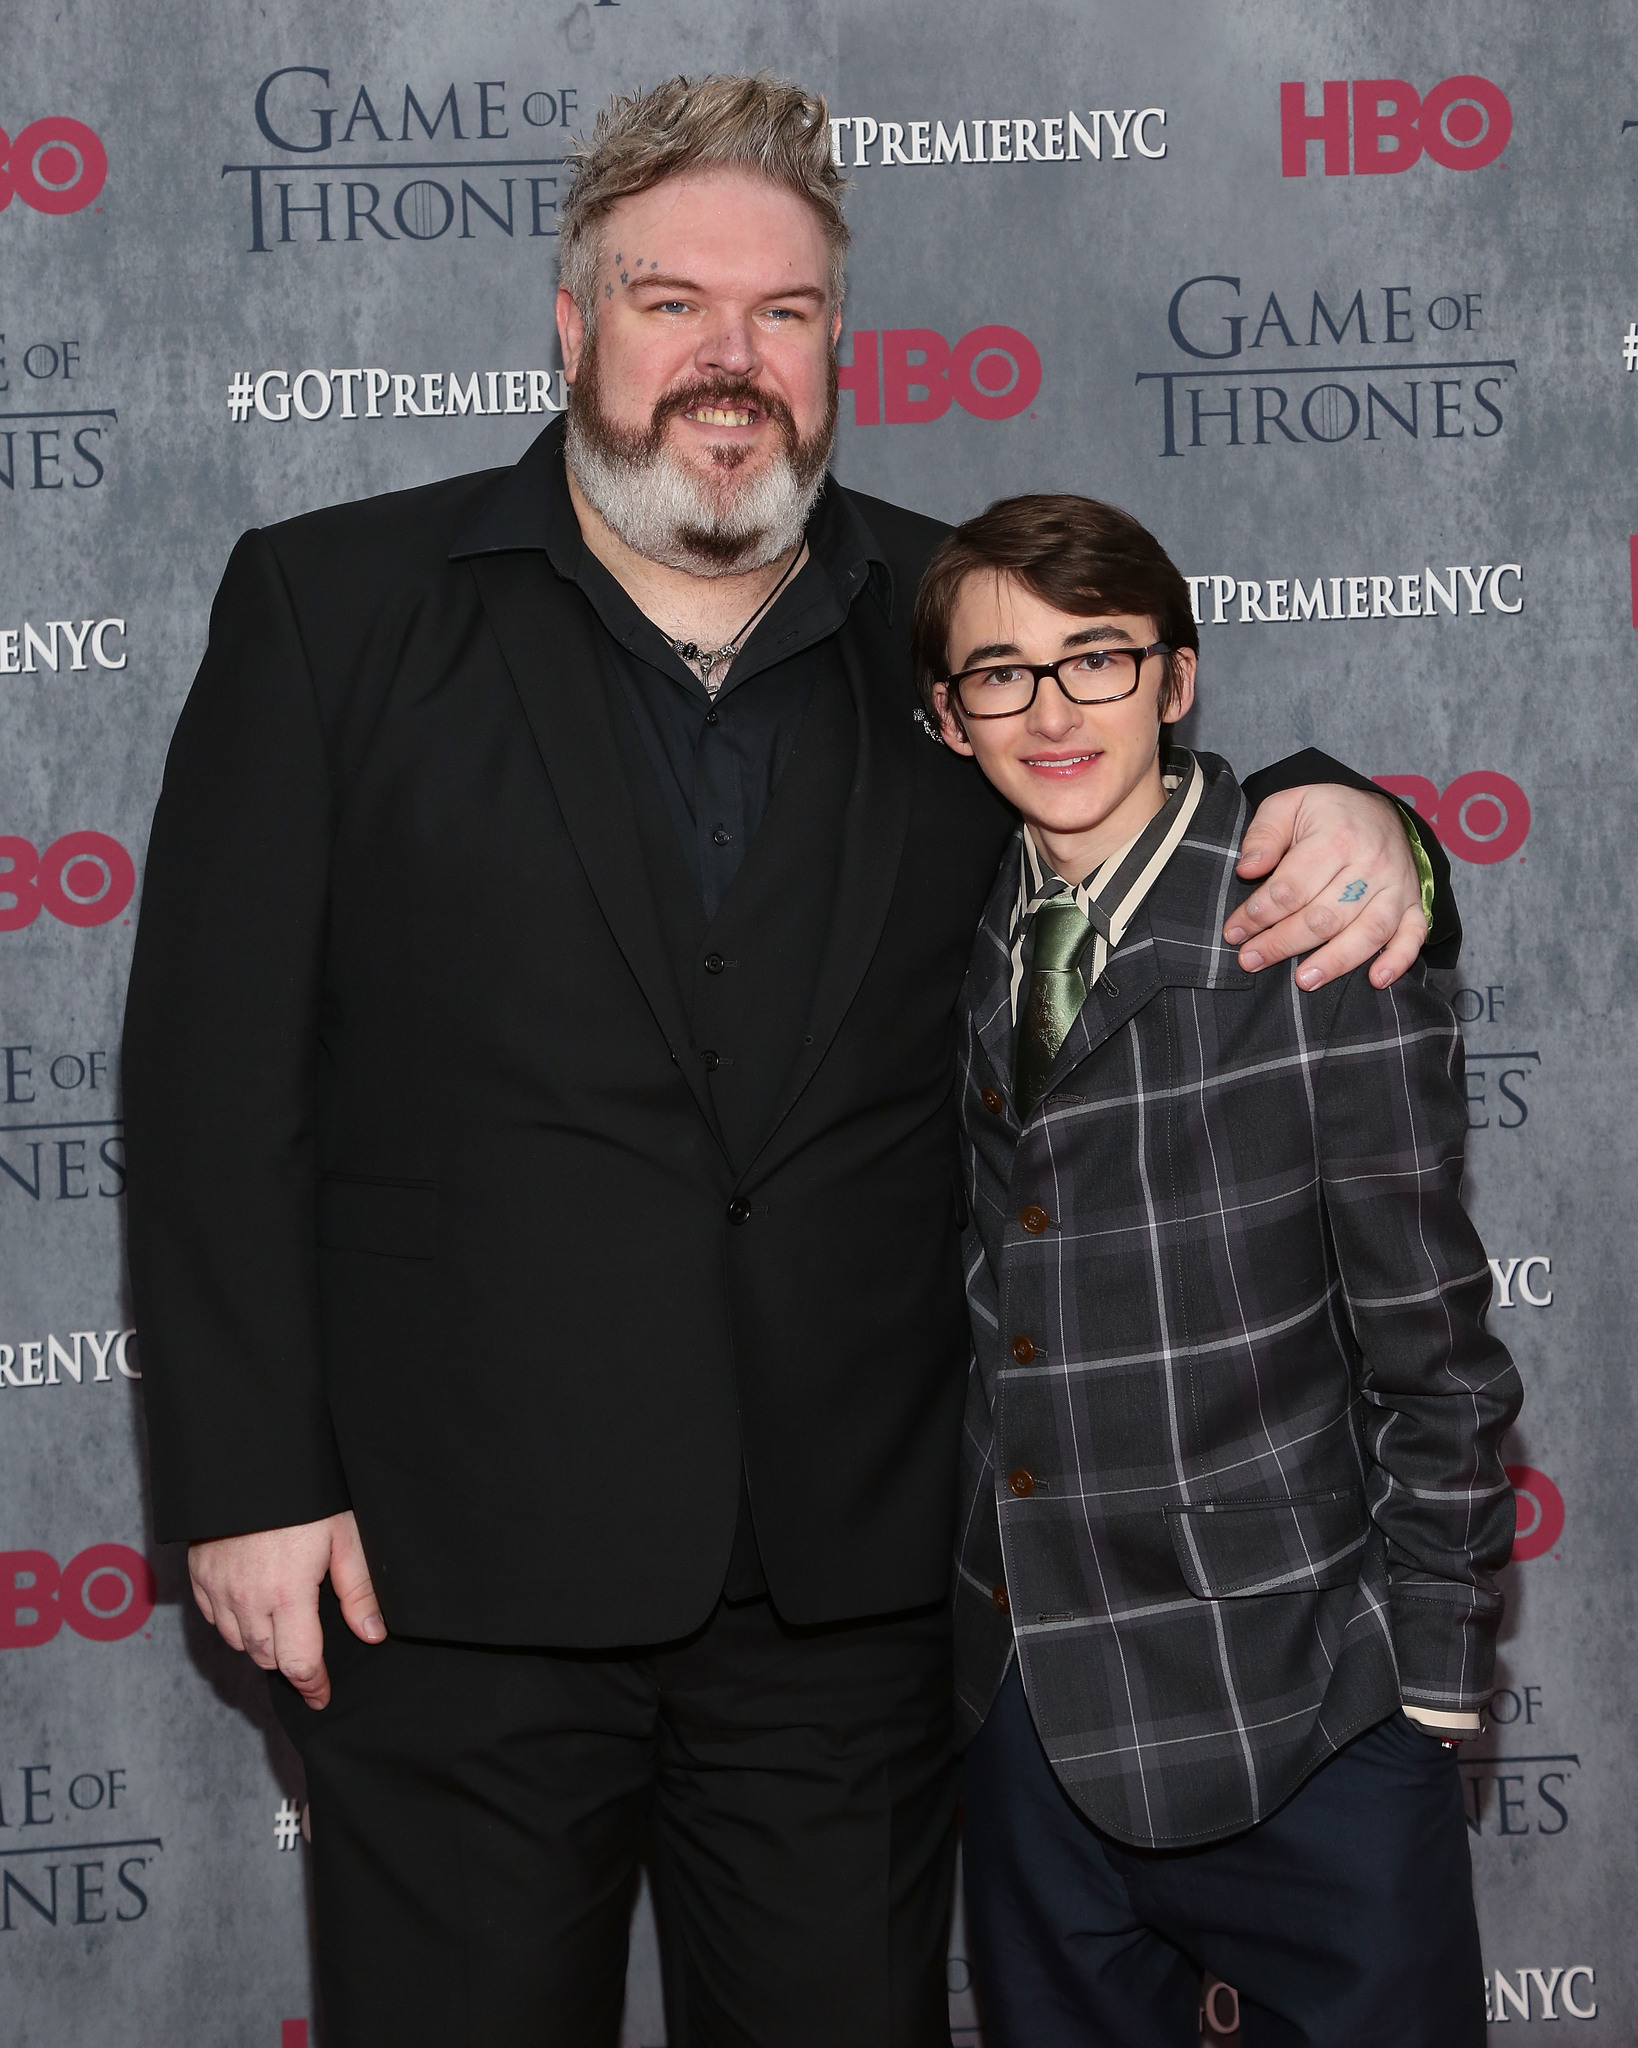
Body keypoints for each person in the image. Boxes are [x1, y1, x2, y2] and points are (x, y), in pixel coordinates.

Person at [123, 76, 1455, 2048]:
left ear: (838, 344)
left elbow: (1144, 793)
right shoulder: (337, 613)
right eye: (674, 305)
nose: (727, 364)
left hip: (850, 1600)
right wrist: (245, 1483)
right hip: (444, 1577)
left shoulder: (947, 630)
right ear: (573, 327)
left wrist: (1360, 811)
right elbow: (210, 1081)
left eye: (784, 314)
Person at [915, 494, 1519, 2047]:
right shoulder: (962, 928)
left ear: (1177, 679)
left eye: (1095, 659)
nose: (1050, 711)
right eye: (999, 673)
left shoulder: (1314, 930)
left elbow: (1435, 1352)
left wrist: (1432, 1691)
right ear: (944, 713)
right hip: (1031, 1719)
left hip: (1298, 1714)